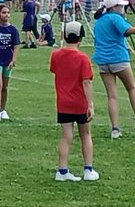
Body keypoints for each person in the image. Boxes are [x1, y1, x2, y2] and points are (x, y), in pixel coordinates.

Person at [92, 0, 135, 139]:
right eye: (120, 6)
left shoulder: (99, 22)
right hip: (118, 59)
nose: (122, 8)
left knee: (112, 96)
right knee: (131, 88)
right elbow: (126, 30)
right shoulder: (116, 18)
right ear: (114, 7)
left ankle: (115, 129)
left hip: (103, 61)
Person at [50, 21, 99, 182]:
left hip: (63, 102)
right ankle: (88, 169)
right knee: (86, 134)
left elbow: (55, 71)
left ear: (64, 36)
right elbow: (87, 82)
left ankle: (62, 171)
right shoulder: (83, 58)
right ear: (81, 38)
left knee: (66, 136)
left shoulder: (56, 55)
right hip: (80, 103)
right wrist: (90, 104)